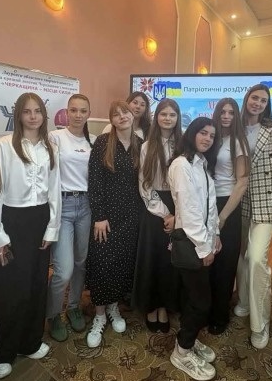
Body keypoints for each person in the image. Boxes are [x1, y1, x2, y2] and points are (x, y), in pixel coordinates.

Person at [0, 93, 61, 379]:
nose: (33, 117)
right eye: (27, 111)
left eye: (38, 111)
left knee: (36, 283)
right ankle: (3, 351)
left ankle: (30, 341)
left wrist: (52, 227)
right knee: (10, 288)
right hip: (12, 219)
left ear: (44, 115)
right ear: (18, 115)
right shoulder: (4, 145)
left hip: (40, 218)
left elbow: (54, 188)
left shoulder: (50, 146)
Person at [235, 83, 272, 349]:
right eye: (254, 98)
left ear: (267, 105)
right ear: (247, 99)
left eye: (263, 100)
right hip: (237, 200)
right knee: (241, 257)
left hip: (266, 202)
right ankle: (244, 300)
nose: (257, 103)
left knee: (257, 259)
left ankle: (260, 324)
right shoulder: (234, 126)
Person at [85, 100, 142, 348]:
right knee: (102, 264)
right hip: (106, 217)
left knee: (122, 263)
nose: (122, 117)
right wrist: (99, 216)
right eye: (116, 114)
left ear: (133, 115)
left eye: (125, 112)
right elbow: (95, 181)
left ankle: (113, 308)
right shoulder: (102, 142)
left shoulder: (141, 145)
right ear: (112, 120)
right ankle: (99, 315)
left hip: (132, 215)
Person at [167, 117, 221, 381]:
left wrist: (216, 234)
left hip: (203, 239)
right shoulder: (181, 165)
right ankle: (182, 351)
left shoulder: (202, 164)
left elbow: (209, 206)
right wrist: (203, 247)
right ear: (192, 134)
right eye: (203, 133)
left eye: (211, 135)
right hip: (191, 242)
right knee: (201, 302)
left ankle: (188, 339)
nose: (207, 138)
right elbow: (188, 211)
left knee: (194, 298)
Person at [46, 94, 96, 341]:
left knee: (81, 263)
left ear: (88, 114)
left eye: (83, 111)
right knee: (63, 270)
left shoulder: (93, 141)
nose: (78, 115)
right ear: (67, 112)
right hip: (63, 206)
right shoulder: (55, 137)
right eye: (73, 110)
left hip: (86, 205)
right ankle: (53, 313)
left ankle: (74, 306)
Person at [132, 98, 182, 332]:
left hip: (179, 205)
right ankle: (151, 306)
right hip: (154, 208)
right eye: (163, 114)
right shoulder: (146, 146)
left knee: (169, 262)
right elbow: (145, 184)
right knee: (152, 260)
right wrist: (165, 214)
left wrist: (177, 214)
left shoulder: (183, 145)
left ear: (177, 118)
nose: (168, 118)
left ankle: (165, 306)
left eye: (172, 115)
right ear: (156, 117)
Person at [208, 98, 250, 335]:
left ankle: (220, 314)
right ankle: (205, 308)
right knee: (207, 260)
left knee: (225, 263)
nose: (226, 116)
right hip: (207, 202)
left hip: (228, 205)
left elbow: (242, 182)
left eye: (231, 112)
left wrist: (223, 216)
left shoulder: (238, 142)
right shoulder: (211, 137)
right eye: (222, 112)